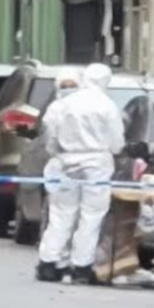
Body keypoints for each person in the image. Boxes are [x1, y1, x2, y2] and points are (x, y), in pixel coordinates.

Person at [36, 63, 125, 284]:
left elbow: (50, 137)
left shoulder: (64, 104)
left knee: (61, 213)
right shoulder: (107, 105)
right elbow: (117, 143)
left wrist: (59, 153)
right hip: (96, 165)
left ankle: (49, 263)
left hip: (66, 162)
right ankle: (81, 267)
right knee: (91, 217)